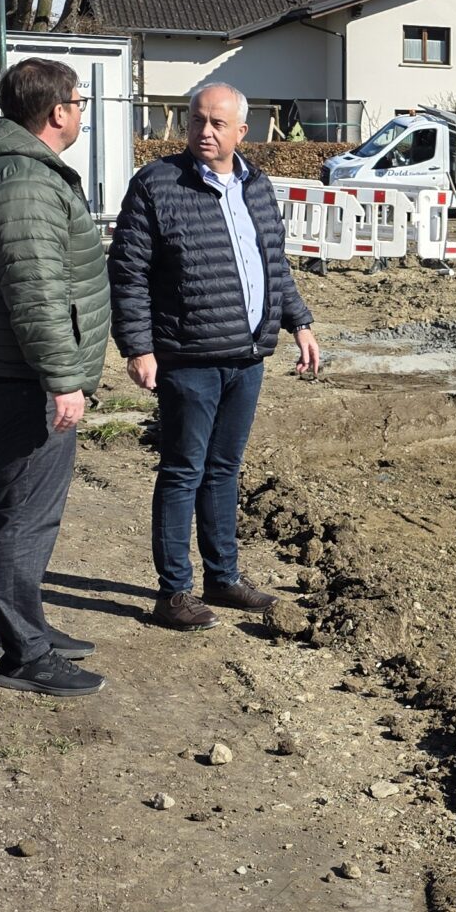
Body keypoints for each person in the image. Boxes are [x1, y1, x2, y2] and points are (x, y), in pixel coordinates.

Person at [108, 82, 322, 632]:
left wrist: (299, 322)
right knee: (183, 470)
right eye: (197, 121)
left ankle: (222, 578)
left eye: (217, 123)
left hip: (247, 356)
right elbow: (128, 273)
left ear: (240, 131)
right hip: (188, 355)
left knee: (224, 470)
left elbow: (272, 262)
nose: (205, 132)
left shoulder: (256, 185)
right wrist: (137, 346)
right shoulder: (157, 184)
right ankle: (173, 592)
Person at [0, 57, 112, 695]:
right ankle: (24, 653)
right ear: (57, 112)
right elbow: (36, 291)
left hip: (10, 372)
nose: (80, 113)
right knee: (24, 514)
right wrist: (62, 379)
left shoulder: (20, 171)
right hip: (20, 380)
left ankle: (23, 625)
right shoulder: (24, 181)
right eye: (79, 102)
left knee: (24, 509)